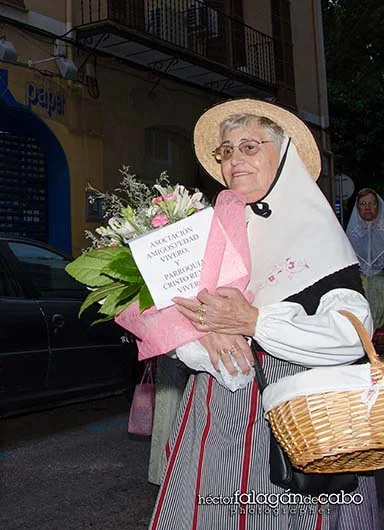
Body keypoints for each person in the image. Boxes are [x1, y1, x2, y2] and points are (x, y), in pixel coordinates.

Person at [148, 99, 381, 529]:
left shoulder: (313, 232)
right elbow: (165, 312)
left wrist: (255, 323)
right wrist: (199, 336)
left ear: (283, 155)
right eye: (227, 150)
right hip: (217, 421)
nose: (235, 159)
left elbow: (352, 334)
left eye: (250, 147)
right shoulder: (206, 230)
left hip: (300, 422)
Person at [346, 188, 384, 330]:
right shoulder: (350, 236)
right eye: (363, 203)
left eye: (371, 203)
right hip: (359, 293)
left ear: (378, 206)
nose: (367, 208)